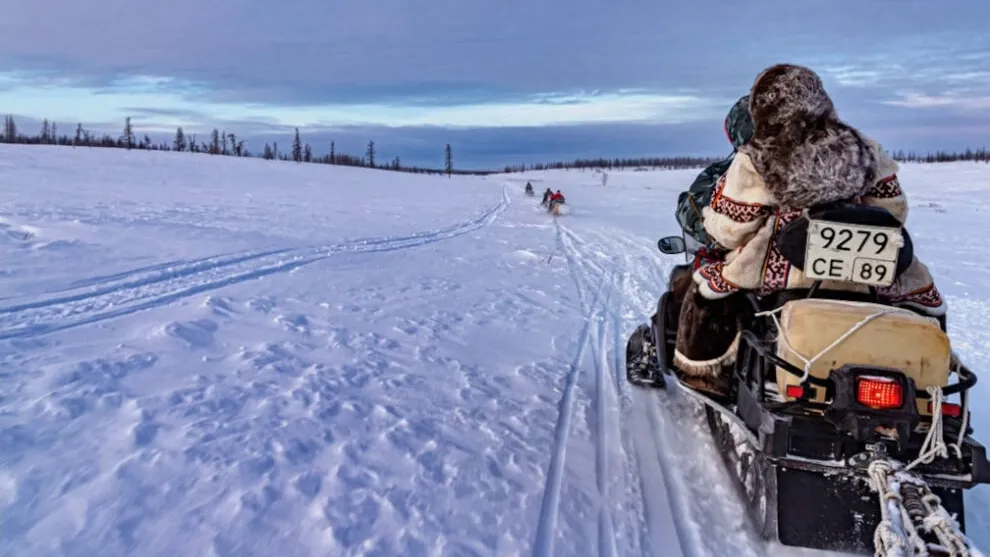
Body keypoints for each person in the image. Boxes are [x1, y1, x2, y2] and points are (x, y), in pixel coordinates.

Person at [672, 63, 946, 393]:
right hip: (868, 275)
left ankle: (705, 373)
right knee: (925, 301)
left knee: (708, 288)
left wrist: (716, 224)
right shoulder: (867, 148)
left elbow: (732, 228)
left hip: (778, 273)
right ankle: (934, 376)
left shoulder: (757, 156)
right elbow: (894, 210)